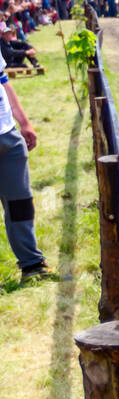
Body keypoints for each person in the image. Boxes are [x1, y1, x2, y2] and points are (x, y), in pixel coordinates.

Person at [0, 55, 51, 281]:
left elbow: (3, 82)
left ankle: (32, 265)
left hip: (8, 138)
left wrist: (25, 122)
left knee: (20, 204)